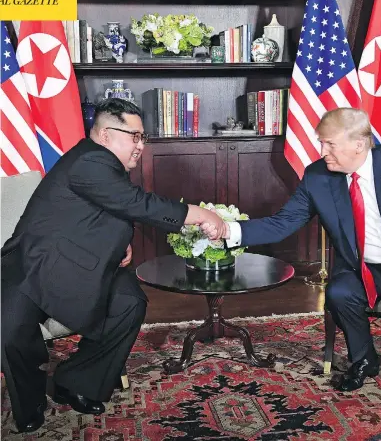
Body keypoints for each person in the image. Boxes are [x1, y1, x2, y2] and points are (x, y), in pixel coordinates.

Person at [1, 98, 227, 433]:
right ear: (106, 135)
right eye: (134, 136)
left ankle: (75, 380)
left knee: (129, 304)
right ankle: (30, 401)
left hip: (81, 262)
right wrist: (201, 214)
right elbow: (136, 203)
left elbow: (108, 210)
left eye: (142, 138)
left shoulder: (104, 165)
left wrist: (122, 241)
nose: (140, 146)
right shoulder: (91, 159)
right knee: (11, 332)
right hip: (32, 262)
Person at [202, 107, 381, 400]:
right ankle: (364, 359)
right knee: (339, 293)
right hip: (363, 267)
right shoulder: (318, 176)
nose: (322, 151)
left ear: (359, 143)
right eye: (321, 142)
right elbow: (284, 223)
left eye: (330, 143)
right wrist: (227, 230)